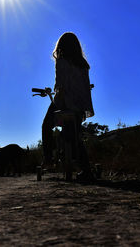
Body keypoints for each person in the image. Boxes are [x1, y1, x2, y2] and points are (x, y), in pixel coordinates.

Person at [42, 32, 95, 181]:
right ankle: (86, 170)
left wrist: (58, 99)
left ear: (61, 45)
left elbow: (60, 84)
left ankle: (48, 159)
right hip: (79, 105)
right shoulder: (83, 65)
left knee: (46, 125)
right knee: (75, 136)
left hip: (65, 101)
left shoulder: (62, 60)